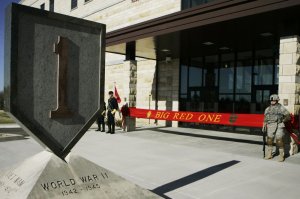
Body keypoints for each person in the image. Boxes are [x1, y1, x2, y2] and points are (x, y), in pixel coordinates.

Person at [262, 94, 290, 162]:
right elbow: (265, 118)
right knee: (269, 140)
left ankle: (281, 155)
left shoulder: (281, 108)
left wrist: (282, 120)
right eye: (271, 101)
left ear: (277, 100)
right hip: (271, 125)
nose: (272, 102)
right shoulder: (268, 109)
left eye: (274, 100)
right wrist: (264, 125)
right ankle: (269, 154)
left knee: (279, 140)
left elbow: (288, 116)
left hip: (279, 125)